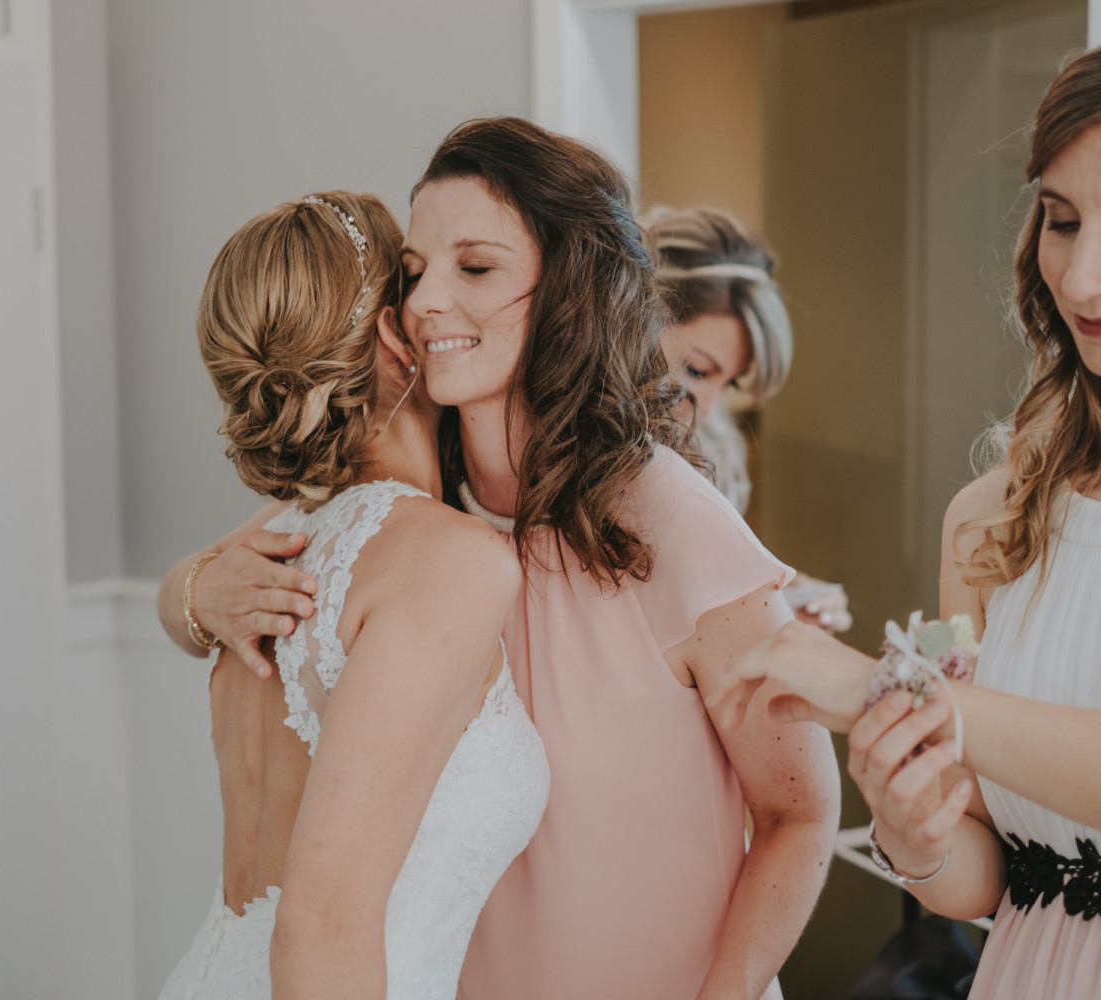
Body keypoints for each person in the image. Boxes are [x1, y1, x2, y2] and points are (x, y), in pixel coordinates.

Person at [711, 14, 1101, 998]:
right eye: (1062, 216)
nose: (1082, 274)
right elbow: (987, 873)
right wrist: (917, 828)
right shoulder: (994, 519)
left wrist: (888, 690)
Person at [161, 118, 840, 1000]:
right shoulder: (406, 522)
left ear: (567, 291)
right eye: (412, 275)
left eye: (474, 269)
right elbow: (216, 580)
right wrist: (194, 593)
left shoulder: (668, 517)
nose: (425, 301)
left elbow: (802, 806)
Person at [156, 191, 548, 1000]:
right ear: (388, 338)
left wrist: (188, 592)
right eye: (413, 284)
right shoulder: (449, 562)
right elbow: (322, 923)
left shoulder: (279, 536)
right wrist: (189, 593)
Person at [645, 204, 851, 632]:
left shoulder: (713, 447)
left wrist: (773, 594)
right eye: (698, 370)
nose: (711, 408)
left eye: (730, 383)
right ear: (632, 322)